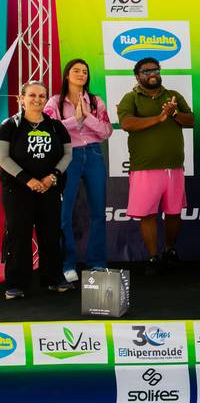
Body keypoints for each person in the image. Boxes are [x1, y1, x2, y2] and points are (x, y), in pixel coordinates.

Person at [117, 58, 194, 274]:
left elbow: (191, 120)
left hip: (174, 167)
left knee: (174, 213)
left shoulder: (173, 96)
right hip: (144, 167)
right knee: (148, 214)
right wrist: (159, 118)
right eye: (146, 71)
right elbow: (127, 123)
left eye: (155, 70)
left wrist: (174, 114)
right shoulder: (131, 98)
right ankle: (153, 257)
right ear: (137, 76)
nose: (152, 73)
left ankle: (169, 251)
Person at [0, 81, 74, 298]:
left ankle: (54, 279)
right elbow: (2, 157)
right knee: (18, 235)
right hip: (17, 189)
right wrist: (28, 180)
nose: (37, 99)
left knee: (51, 233)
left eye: (42, 96)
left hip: (49, 188)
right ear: (21, 99)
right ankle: (16, 284)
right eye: (32, 95)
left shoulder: (56, 126)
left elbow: (67, 154)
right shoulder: (9, 126)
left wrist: (53, 176)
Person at [44, 59, 113, 283]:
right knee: (64, 212)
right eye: (76, 70)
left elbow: (106, 131)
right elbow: (50, 129)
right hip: (67, 155)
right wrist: (75, 120)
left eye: (85, 71)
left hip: (93, 154)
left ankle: (97, 263)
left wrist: (88, 117)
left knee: (98, 211)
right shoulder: (55, 101)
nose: (81, 74)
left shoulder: (95, 101)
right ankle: (67, 264)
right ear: (67, 74)